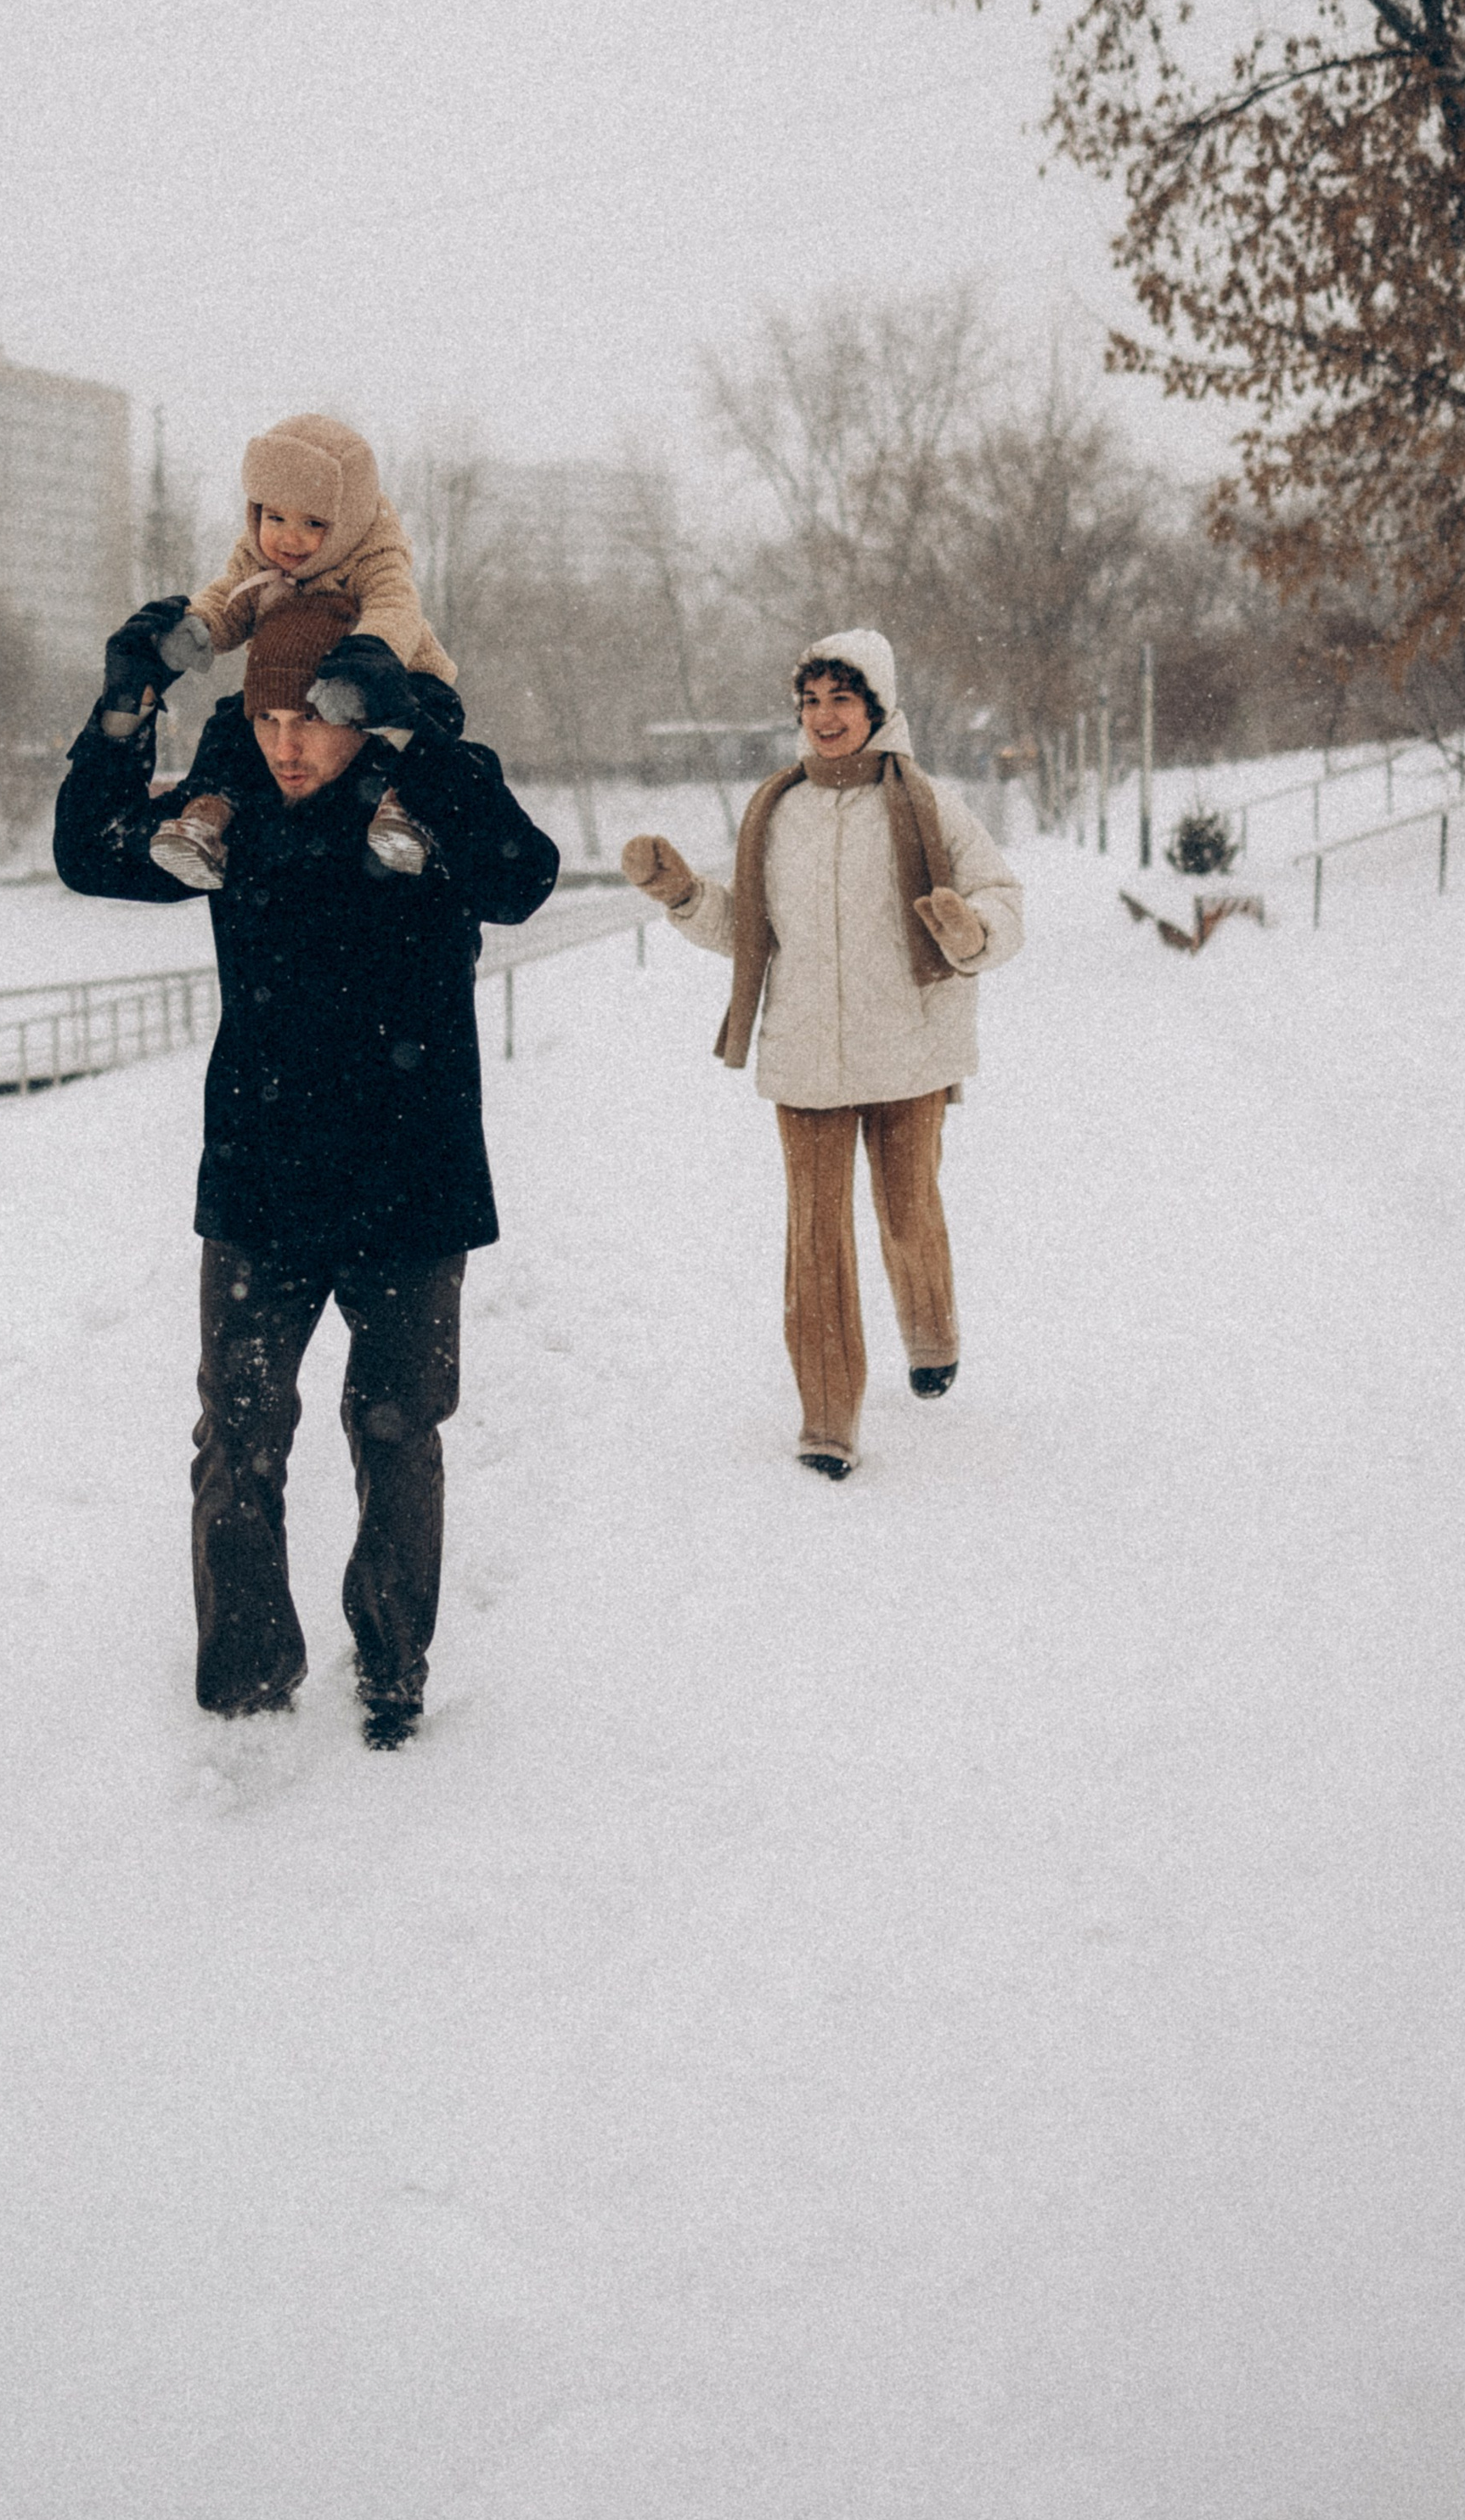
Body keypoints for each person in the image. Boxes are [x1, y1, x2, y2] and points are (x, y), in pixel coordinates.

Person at [54, 589, 561, 1746]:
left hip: (410, 1184)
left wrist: (424, 740)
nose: (286, 745)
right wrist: (129, 702)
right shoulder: (229, 823)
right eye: (268, 719)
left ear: (361, 716)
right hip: (262, 1182)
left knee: (396, 1434)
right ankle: (243, 1685)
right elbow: (87, 855)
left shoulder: (418, 801)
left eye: (313, 721)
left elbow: (523, 876)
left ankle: (392, 1670)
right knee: (239, 1439)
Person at [621, 628, 1023, 1480]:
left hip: (909, 1046)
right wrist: (684, 894)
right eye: (810, 701)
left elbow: (999, 896)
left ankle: (930, 1331)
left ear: (877, 707)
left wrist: (971, 928)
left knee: (907, 1208)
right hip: (804, 1055)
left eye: (842, 699)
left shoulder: (929, 803)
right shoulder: (777, 808)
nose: (823, 716)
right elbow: (749, 930)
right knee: (813, 1236)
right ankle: (828, 1419)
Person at [141, 411, 462, 892]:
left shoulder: (373, 551)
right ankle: (205, 819)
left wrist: (372, 652)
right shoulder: (257, 553)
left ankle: (402, 811)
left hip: (395, 673)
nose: (289, 538)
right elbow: (233, 597)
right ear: (257, 510)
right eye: (275, 518)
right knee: (228, 737)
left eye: (313, 523)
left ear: (346, 521)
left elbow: (395, 604)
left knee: (423, 724)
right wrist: (201, 627)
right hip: (285, 676)